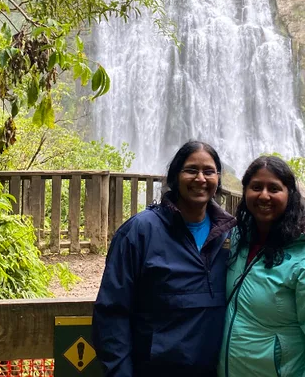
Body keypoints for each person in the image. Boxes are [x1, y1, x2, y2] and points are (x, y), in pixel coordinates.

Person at [93, 141, 237, 377]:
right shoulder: (139, 232)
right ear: (175, 176)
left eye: (209, 171)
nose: (200, 178)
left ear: (218, 179)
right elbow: (111, 313)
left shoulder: (231, 233)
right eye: (191, 170)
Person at [218, 156, 305, 377]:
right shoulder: (238, 237)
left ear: (290, 195)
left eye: (274, 188)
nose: (264, 195)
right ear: (245, 192)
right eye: (256, 187)